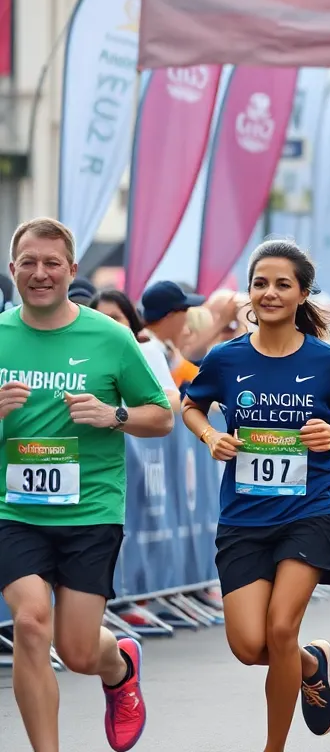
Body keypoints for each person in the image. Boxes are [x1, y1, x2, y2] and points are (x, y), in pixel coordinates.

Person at [181, 240, 330, 751]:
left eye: (283, 284)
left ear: (302, 294)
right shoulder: (226, 359)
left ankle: (272, 747)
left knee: (280, 628)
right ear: (249, 293)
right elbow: (192, 406)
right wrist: (212, 436)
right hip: (243, 518)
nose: (270, 292)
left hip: (309, 513)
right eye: (261, 283)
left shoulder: (329, 362)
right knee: (249, 645)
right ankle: (310, 662)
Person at [0, 217, 173, 752]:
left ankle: (118, 668)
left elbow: (161, 417)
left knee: (76, 651)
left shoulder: (111, 337)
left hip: (90, 511)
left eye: (52, 263)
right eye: (28, 262)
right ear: (13, 270)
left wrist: (113, 415)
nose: (40, 273)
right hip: (14, 510)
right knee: (30, 623)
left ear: (72, 270)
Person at [91, 288, 181, 412]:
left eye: (115, 318)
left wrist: (120, 414)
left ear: (130, 321)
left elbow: (175, 401)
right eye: (101, 318)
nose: (109, 324)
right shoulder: (83, 357)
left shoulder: (147, 352)